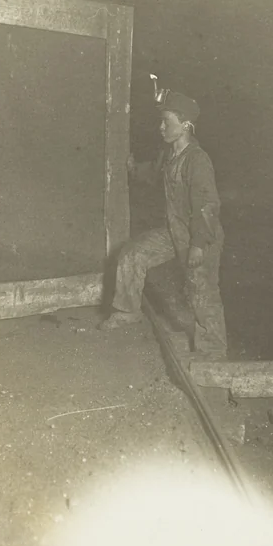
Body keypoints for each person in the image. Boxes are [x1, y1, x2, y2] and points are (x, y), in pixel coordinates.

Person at [102, 90, 227, 360]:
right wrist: (134, 169)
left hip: (201, 237)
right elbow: (153, 174)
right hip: (174, 231)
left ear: (185, 126)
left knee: (201, 291)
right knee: (133, 253)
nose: (161, 127)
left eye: (166, 122)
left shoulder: (197, 160)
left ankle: (213, 351)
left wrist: (197, 245)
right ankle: (127, 311)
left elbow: (208, 207)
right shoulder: (169, 154)